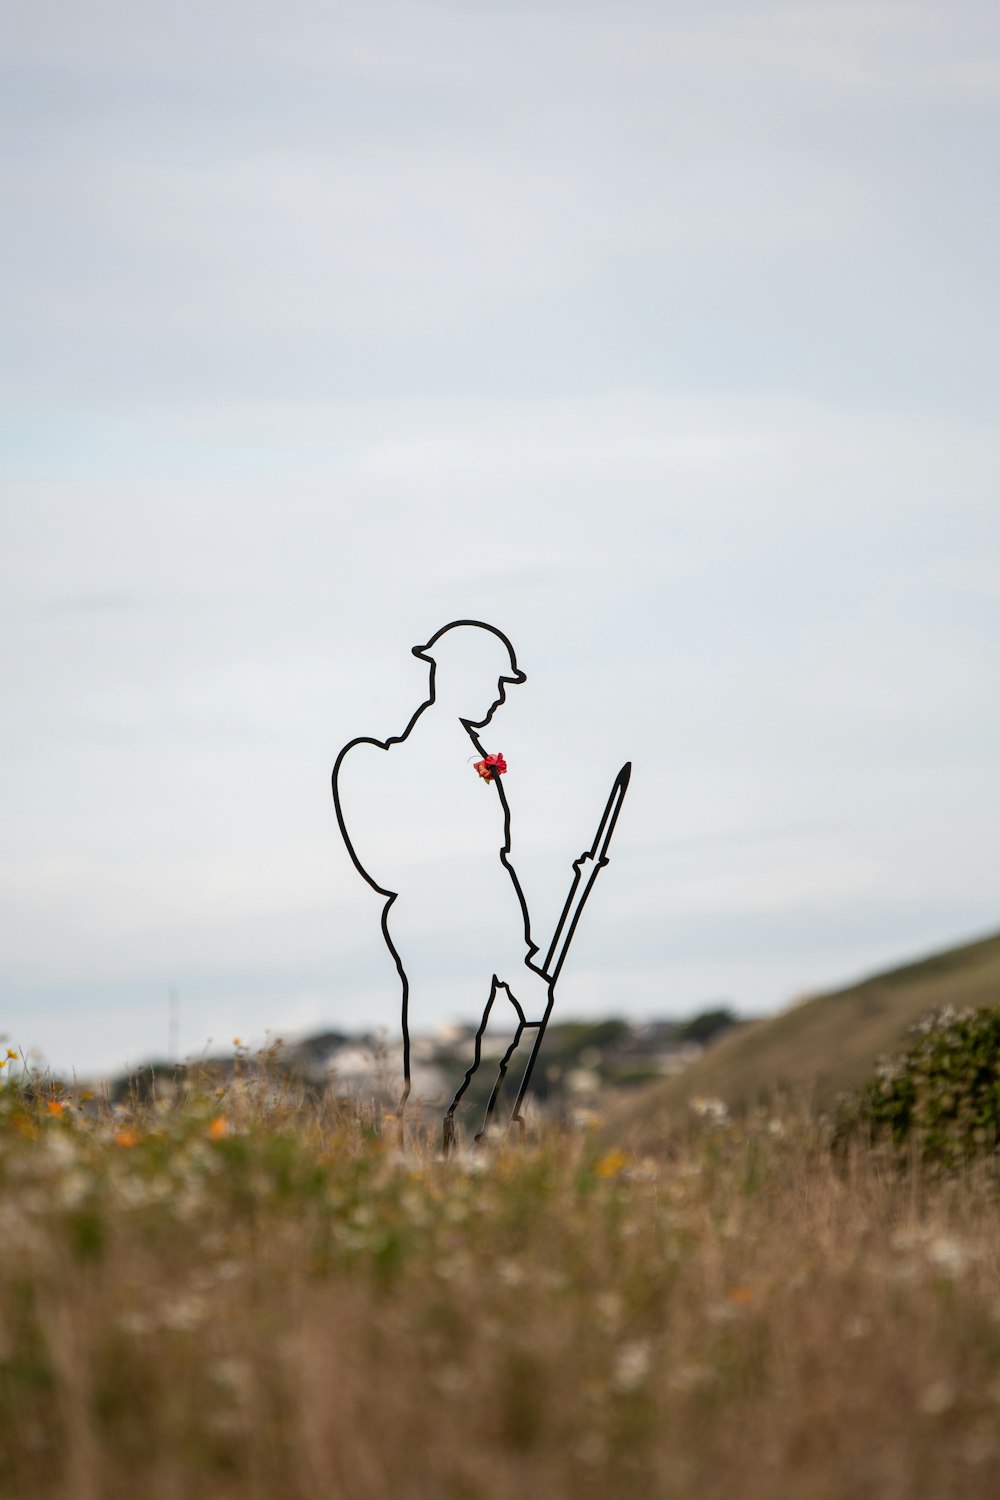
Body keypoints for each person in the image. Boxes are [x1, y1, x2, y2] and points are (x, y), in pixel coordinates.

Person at [332, 620, 553, 1146]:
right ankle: (422, 1166)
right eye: (495, 683)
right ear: (459, 676)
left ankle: (461, 1161)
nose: (500, 697)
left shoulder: (467, 752)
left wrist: (516, 954)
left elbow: (491, 864)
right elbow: (451, 872)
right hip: (447, 936)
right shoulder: (401, 761)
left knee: (486, 1063)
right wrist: (505, 953)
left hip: (492, 938)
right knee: (449, 1077)